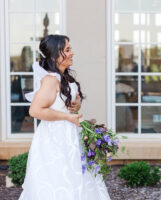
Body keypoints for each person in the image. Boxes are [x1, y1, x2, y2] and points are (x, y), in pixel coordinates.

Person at [19, 35, 110, 200]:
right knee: (60, 179)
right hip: (55, 140)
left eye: (70, 48)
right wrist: (67, 117)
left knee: (78, 178)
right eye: (67, 50)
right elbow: (35, 110)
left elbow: (62, 104)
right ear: (55, 56)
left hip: (70, 136)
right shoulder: (50, 81)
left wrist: (76, 106)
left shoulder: (65, 77)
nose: (72, 53)